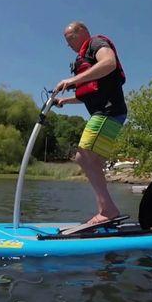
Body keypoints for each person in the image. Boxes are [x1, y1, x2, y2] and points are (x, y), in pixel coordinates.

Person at [53, 21, 127, 226]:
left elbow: (109, 63)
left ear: (83, 32)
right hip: (111, 113)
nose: (70, 45)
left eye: (71, 39)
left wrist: (72, 80)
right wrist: (66, 100)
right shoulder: (84, 59)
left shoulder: (96, 43)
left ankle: (108, 210)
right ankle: (107, 210)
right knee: (92, 161)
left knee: (83, 156)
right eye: (66, 42)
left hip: (109, 111)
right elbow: (90, 92)